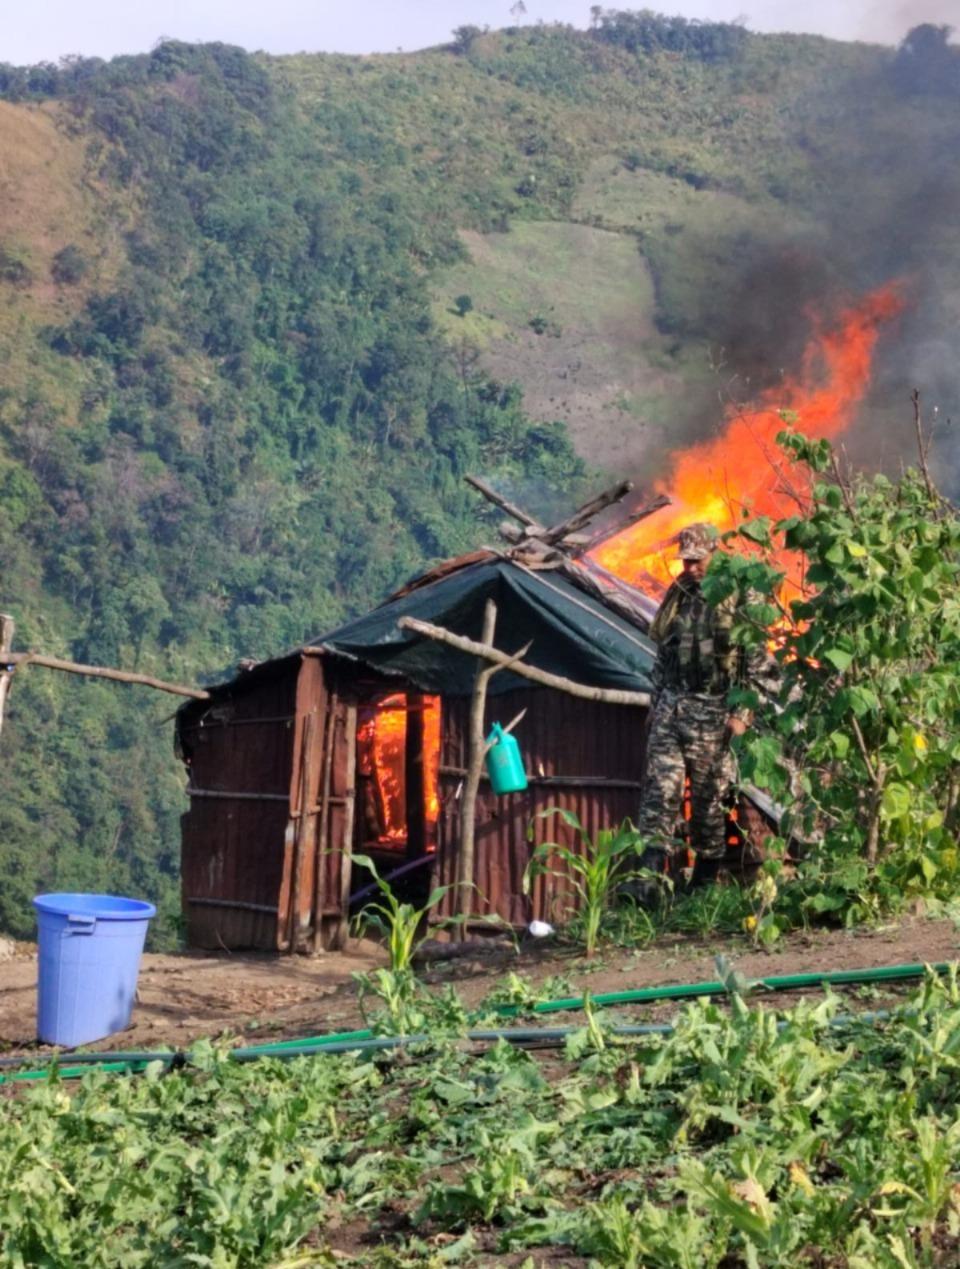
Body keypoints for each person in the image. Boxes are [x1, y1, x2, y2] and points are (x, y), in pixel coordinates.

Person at [636, 522, 768, 888]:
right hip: (673, 705)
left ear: (714, 553)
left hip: (714, 709)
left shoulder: (740, 594)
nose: (690, 567)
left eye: (697, 560)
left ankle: (705, 882)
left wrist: (742, 713)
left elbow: (756, 662)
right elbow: (663, 657)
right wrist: (655, 704)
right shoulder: (678, 593)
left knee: (709, 796)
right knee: (660, 789)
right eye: (686, 561)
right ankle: (646, 879)